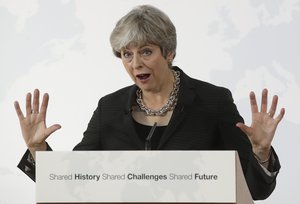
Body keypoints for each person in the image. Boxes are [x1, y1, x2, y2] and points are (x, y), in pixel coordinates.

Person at [15, 5, 285, 200]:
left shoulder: (213, 101)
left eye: (146, 51)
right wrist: (38, 149)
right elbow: (73, 182)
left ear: (169, 52)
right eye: (126, 54)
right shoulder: (108, 108)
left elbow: (253, 191)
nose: (135, 64)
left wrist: (261, 152)